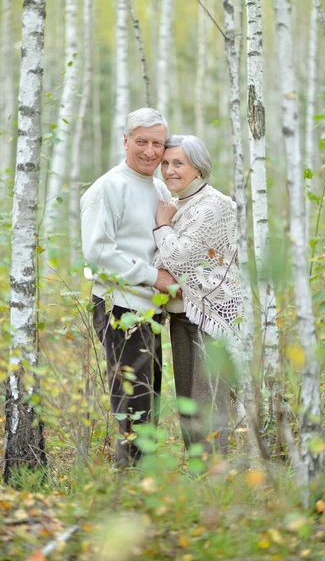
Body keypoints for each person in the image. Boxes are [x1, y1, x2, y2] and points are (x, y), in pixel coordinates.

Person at [80, 108, 177, 466]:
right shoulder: (108, 187)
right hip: (120, 308)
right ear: (125, 141)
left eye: (158, 143)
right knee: (132, 404)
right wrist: (155, 278)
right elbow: (97, 252)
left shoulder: (158, 186)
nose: (151, 151)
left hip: (149, 310)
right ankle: (130, 488)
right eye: (141, 142)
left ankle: (143, 480)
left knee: (148, 399)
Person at [152, 135, 243, 454]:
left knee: (209, 405)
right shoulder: (179, 204)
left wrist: (162, 227)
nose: (169, 170)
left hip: (210, 318)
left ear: (199, 168)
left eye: (178, 163)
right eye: (165, 163)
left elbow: (178, 259)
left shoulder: (215, 206)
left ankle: (215, 479)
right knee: (188, 405)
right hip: (181, 318)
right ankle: (198, 476)